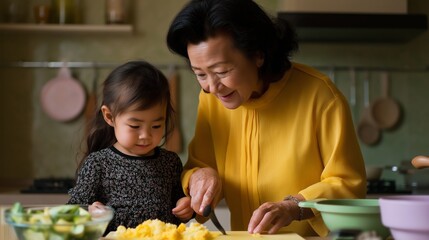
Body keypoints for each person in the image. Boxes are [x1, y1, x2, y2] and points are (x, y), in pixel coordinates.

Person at [166, 0, 366, 237]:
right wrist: (200, 178)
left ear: (258, 55)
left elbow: (348, 183)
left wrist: (293, 207)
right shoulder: (211, 100)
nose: (212, 87)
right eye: (200, 74)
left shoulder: (320, 95)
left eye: (222, 72)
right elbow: (200, 164)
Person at [67, 60, 194, 234]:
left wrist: (185, 207)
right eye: (135, 126)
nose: (145, 135)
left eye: (156, 126)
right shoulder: (98, 164)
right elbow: (73, 211)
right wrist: (90, 211)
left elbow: (179, 205)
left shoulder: (170, 161)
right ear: (109, 116)